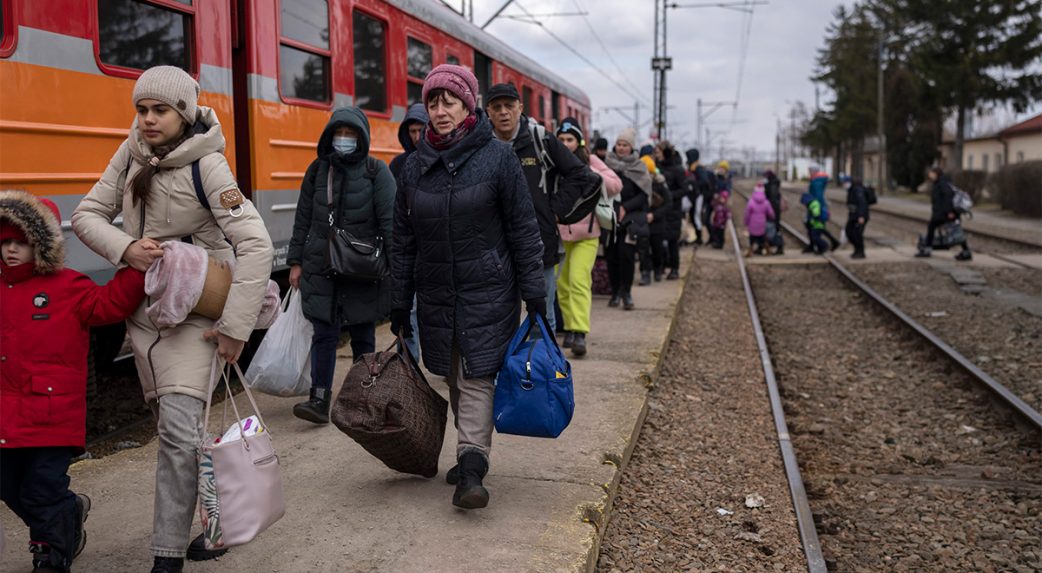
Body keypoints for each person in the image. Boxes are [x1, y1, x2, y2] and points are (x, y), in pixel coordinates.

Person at [72, 65, 274, 573]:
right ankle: (219, 519)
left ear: (183, 114)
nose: (147, 120)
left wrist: (234, 330)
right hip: (143, 319)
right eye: (141, 110)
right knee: (176, 434)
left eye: (159, 110)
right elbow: (85, 216)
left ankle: (166, 558)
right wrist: (126, 249)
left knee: (180, 436)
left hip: (194, 316)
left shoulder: (209, 166)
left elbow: (256, 245)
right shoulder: (131, 152)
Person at [389, 65, 545, 510]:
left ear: (468, 105)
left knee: (477, 373)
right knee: (453, 373)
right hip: (436, 290)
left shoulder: (498, 157)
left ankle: (472, 466)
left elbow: (522, 228)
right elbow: (404, 241)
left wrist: (535, 291)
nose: (439, 111)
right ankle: (469, 448)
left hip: (489, 287)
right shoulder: (415, 167)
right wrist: (399, 301)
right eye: (433, 102)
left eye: (449, 102)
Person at [2, 192, 146, 573]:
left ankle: (50, 554)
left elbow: (109, 305)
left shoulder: (68, 286)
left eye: (21, 242)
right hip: (6, 414)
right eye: (5, 242)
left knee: (43, 488)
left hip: (52, 413)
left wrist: (137, 268)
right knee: (9, 484)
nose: (11, 251)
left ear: (42, 244)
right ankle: (69, 511)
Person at [286, 106, 396, 424]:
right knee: (323, 331)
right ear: (330, 136)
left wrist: (396, 267)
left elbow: (390, 223)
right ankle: (319, 400)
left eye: (351, 134)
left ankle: (364, 399)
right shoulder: (317, 171)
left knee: (363, 333)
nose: (344, 139)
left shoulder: (378, 172)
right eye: (339, 133)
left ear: (361, 137)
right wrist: (295, 261)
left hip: (362, 268)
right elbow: (303, 217)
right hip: (321, 264)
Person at [485, 83, 588, 334]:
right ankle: (508, 371)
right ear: (487, 111)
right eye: (496, 107)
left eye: (509, 106)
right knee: (498, 318)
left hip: (538, 243)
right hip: (494, 247)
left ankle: (542, 370)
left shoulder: (541, 140)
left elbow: (580, 174)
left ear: (520, 108)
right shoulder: (482, 145)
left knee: (541, 317)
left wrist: (555, 210)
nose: (503, 112)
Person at [555, 117, 622, 357]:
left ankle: (580, 331)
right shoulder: (552, 160)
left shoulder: (591, 161)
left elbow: (616, 184)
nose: (565, 144)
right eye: (561, 139)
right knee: (561, 284)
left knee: (578, 279)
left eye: (570, 139)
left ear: (579, 141)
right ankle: (570, 327)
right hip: (561, 234)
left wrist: (590, 173)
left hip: (587, 234)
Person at [388, 103, 428, 360]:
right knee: (409, 312)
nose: (416, 137)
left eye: (420, 130)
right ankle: (410, 369)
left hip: (434, 247)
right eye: (411, 131)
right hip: (408, 247)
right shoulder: (398, 164)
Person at [603, 128, 651, 309]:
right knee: (612, 257)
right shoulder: (606, 165)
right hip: (609, 217)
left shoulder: (639, 167)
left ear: (631, 148)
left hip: (630, 219)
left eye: (625, 145)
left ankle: (627, 293)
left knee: (627, 256)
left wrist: (625, 207)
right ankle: (615, 292)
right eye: (619, 144)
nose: (621, 148)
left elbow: (644, 195)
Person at [917, 167, 971, 260]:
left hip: (945, 214)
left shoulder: (942, 184)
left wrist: (949, 212)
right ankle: (966, 252)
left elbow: (947, 198)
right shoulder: (939, 183)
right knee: (956, 231)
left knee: (933, 227)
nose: (930, 175)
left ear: (936, 174)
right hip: (943, 213)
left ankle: (927, 250)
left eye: (931, 173)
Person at [655, 141, 686, 279]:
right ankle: (661, 266)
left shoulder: (678, 169)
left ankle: (674, 268)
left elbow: (683, 189)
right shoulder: (657, 167)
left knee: (673, 241)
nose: (656, 155)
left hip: (673, 210)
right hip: (660, 209)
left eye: (658, 152)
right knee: (659, 239)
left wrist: (668, 196)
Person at [642, 155, 673, 281]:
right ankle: (646, 272)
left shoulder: (660, 184)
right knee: (643, 249)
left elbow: (668, 203)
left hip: (657, 223)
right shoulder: (638, 183)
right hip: (643, 222)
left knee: (657, 249)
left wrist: (654, 215)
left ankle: (657, 269)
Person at [804, 165, 841, 252]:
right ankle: (813, 245)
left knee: (815, 227)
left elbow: (818, 196)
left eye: (810, 171)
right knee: (814, 226)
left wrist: (816, 208)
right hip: (815, 205)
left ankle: (825, 244)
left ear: (814, 171)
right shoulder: (816, 181)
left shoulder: (816, 182)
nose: (809, 172)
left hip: (816, 206)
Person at [685, 148, 714, 246]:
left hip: (698, 196)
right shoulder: (694, 167)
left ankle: (699, 237)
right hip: (695, 196)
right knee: (693, 215)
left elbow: (704, 181)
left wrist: (694, 185)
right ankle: (698, 237)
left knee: (696, 216)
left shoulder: (698, 168)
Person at [743, 183, 776, 256]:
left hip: (752, 223)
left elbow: (747, 213)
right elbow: (771, 212)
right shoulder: (766, 202)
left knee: (752, 238)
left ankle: (750, 251)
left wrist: (746, 222)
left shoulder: (751, 202)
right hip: (762, 222)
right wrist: (772, 217)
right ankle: (768, 250)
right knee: (762, 238)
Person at [845, 177, 870, 259]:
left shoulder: (858, 190)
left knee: (857, 234)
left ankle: (860, 252)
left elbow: (862, 203)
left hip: (859, 216)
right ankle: (857, 250)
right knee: (849, 232)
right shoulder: (852, 190)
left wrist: (861, 216)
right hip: (853, 216)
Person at [763, 169, 785, 255]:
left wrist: (769, 211)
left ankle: (779, 246)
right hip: (774, 209)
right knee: (774, 228)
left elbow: (771, 199)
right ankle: (775, 246)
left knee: (774, 228)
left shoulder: (772, 185)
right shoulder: (773, 184)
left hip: (773, 210)